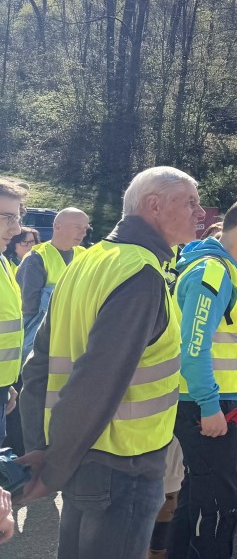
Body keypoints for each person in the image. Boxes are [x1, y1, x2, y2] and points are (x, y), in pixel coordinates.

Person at [19, 167, 203, 559]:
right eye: (190, 202)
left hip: (82, 457)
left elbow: (38, 365)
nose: (199, 212)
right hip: (125, 467)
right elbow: (96, 382)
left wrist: (43, 449)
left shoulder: (86, 262)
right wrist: (51, 471)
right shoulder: (141, 273)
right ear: (154, 205)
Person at [170, 196, 237, 559]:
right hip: (206, 405)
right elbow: (194, 346)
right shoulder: (213, 272)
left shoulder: (224, 269)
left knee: (196, 495)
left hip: (212, 400)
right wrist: (209, 403)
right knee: (218, 501)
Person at [17, 206, 89, 356]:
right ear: (57, 226)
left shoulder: (84, 255)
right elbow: (29, 306)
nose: (83, 233)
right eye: (77, 227)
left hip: (71, 335)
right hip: (40, 337)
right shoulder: (36, 258)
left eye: (86, 228)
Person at [0, 182, 26, 450]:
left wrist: (6, 384)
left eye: (18, 218)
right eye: (8, 218)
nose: (16, 229)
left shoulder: (3, 262)